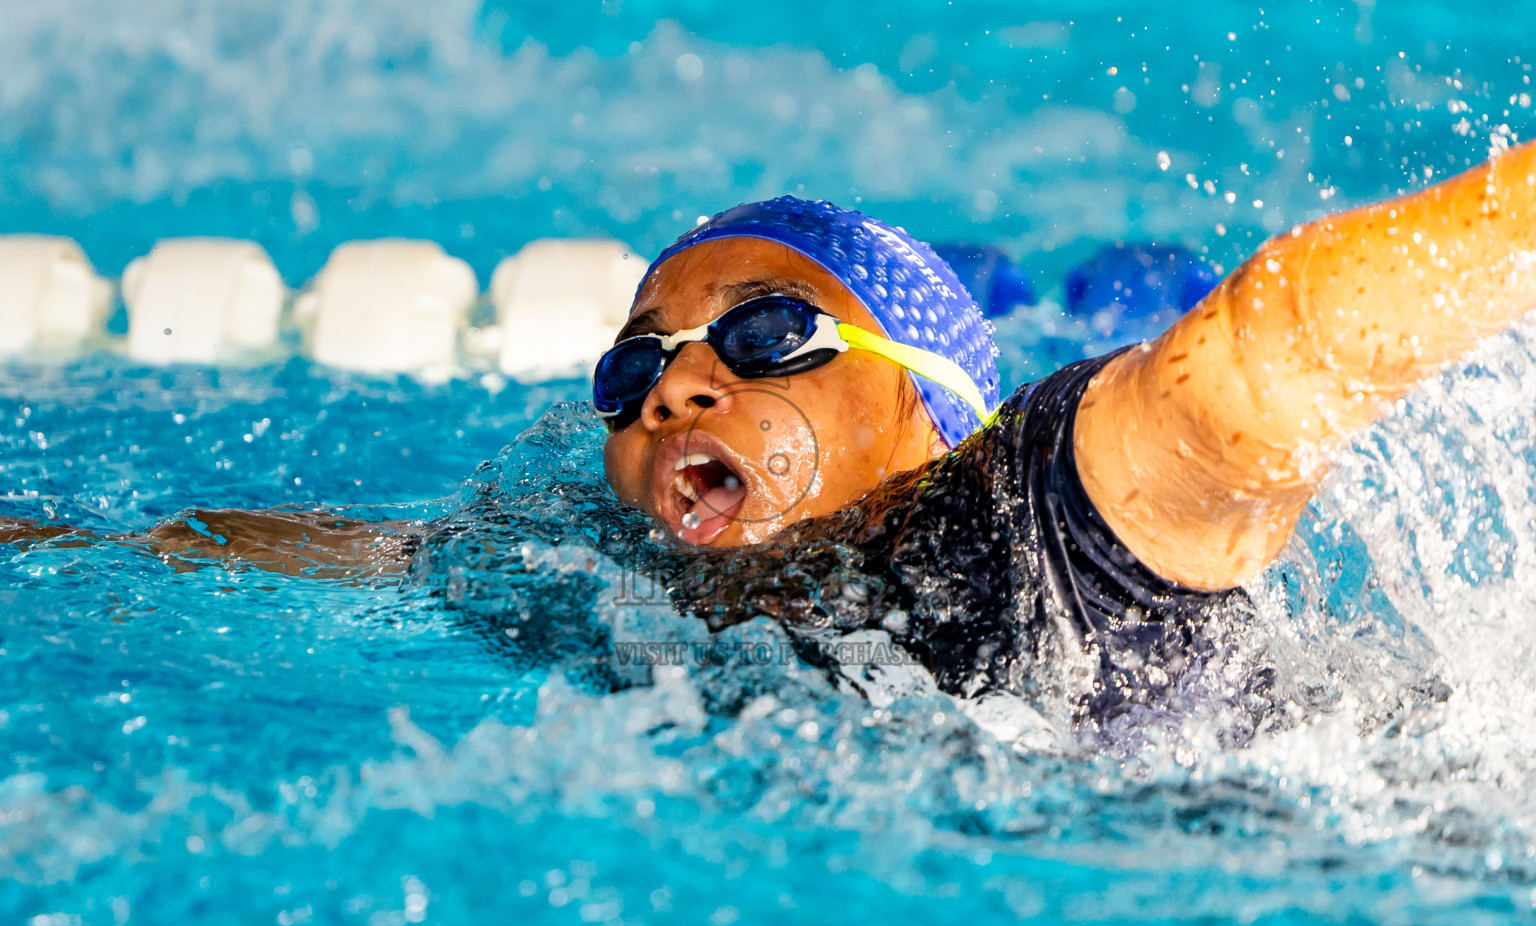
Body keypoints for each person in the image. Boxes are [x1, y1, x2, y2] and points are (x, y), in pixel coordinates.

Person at [5, 139, 1535, 730]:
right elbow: (362, 555)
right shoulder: (594, 568)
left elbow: (1279, 342)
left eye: (766, 336)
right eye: (639, 367)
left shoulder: (1034, 517)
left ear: (930, 406)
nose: (676, 387)